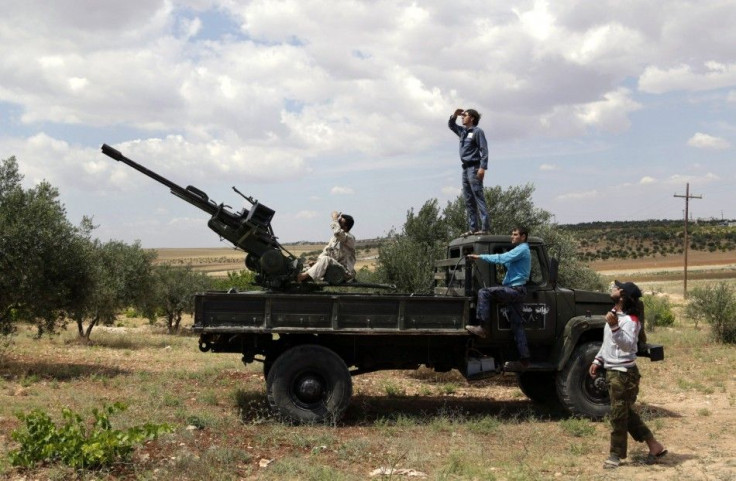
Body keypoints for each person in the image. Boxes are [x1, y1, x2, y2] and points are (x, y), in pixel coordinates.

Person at [589, 280, 667, 469]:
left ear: (623, 295)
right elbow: (608, 342)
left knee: (618, 415)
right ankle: (654, 445)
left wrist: (615, 327)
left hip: (623, 374)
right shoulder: (615, 314)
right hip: (613, 371)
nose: (613, 288)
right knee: (623, 412)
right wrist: (598, 360)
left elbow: (627, 344)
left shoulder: (631, 320)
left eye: (617, 287)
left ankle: (615, 455)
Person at [465, 227, 531, 368]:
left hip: (514, 290)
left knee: (484, 292)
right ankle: (524, 358)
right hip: (518, 291)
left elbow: (503, 259)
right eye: (512, 234)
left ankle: (482, 327)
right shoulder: (521, 250)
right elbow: (507, 261)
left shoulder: (522, 249)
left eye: (515, 234)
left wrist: (479, 257)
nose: (512, 237)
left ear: (523, 236)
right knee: (517, 325)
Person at [448, 108, 490, 235]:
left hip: (474, 167)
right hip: (465, 169)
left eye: (464, 115)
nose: (462, 117)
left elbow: (484, 150)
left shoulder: (477, 132)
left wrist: (483, 168)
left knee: (478, 196)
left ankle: (485, 228)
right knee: (468, 199)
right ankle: (473, 228)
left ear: (472, 118)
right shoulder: (463, 132)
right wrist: (454, 115)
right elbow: (451, 125)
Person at [297, 211, 356, 283]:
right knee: (307, 266)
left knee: (326, 259)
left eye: (340, 222)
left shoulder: (349, 238)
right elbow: (327, 253)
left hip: (345, 273)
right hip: (335, 269)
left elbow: (337, 232)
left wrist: (334, 219)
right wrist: (317, 263)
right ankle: (302, 277)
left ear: (346, 227)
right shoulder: (335, 239)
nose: (338, 222)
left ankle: (302, 277)